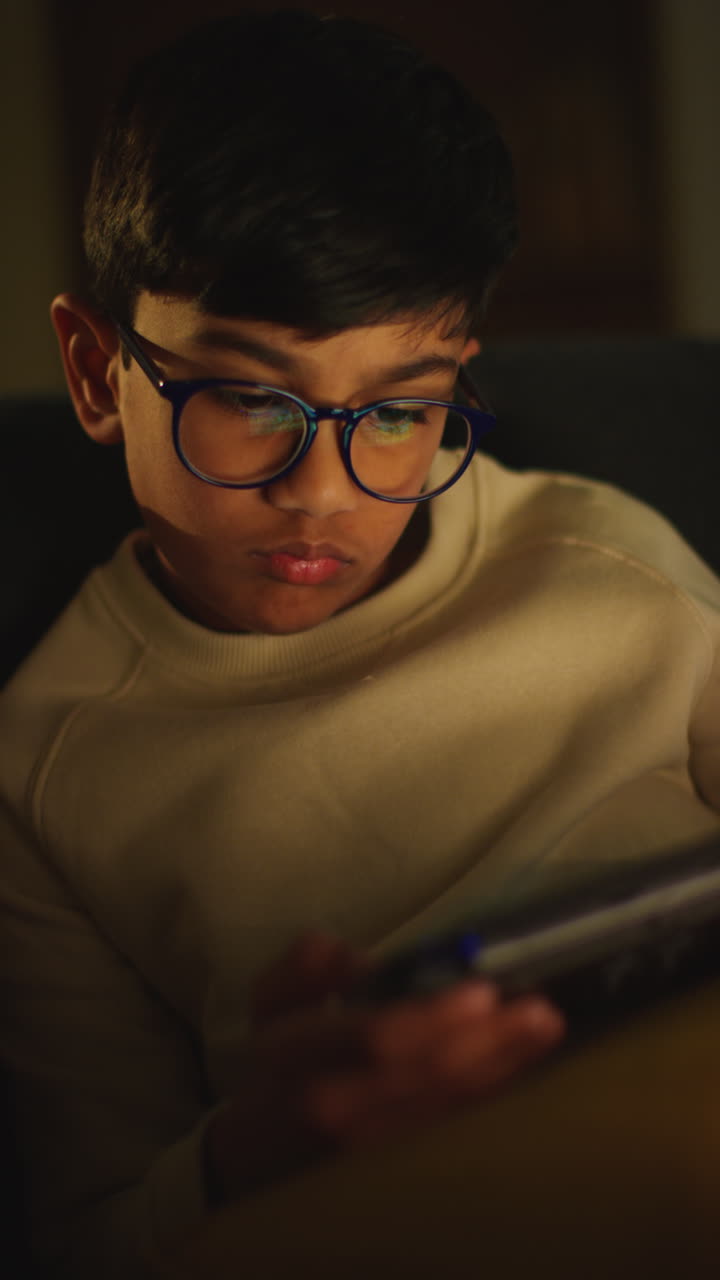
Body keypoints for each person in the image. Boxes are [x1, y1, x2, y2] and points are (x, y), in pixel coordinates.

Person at [1, 8, 719, 1276]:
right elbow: (86, 1235)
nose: (324, 489)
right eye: (247, 399)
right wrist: (262, 1145)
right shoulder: (43, 767)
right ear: (95, 366)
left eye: (398, 411)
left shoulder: (607, 555)